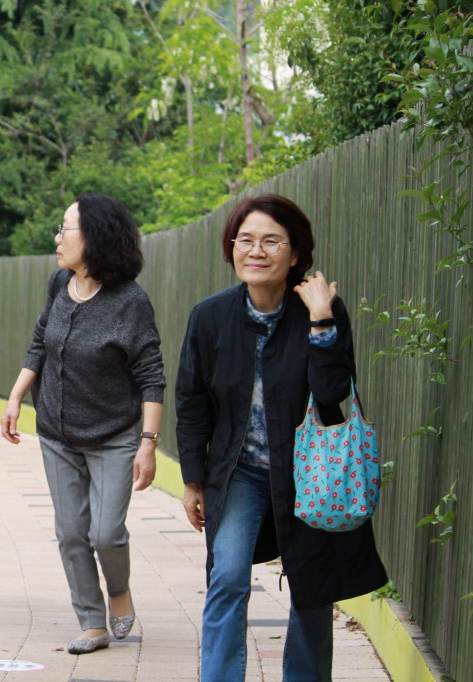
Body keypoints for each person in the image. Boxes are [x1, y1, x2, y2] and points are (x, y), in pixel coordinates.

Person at [175, 194, 388, 681]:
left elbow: (332, 395)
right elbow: (192, 401)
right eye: (245, 240)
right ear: (232, 248)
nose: (256, 251)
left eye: (271, 241)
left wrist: (321, 321)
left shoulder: (321, 309)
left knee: (313, 588)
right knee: (227, 575)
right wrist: (193, 480)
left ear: (295, 254)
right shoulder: (210, 317)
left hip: (311, 471)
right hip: (240, 472)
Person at [0, 193, 165, 655]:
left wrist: (147, 443)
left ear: (93, 237)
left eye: (64, 228)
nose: (57, 238)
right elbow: (40, 342)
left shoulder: (130, 302)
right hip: (57, 433)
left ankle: (118, 590)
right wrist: (16, 397)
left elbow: (151, 375)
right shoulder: (59, 283)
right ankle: (92, 622)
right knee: (72, 533)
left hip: (114, 434)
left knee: (105, 534)